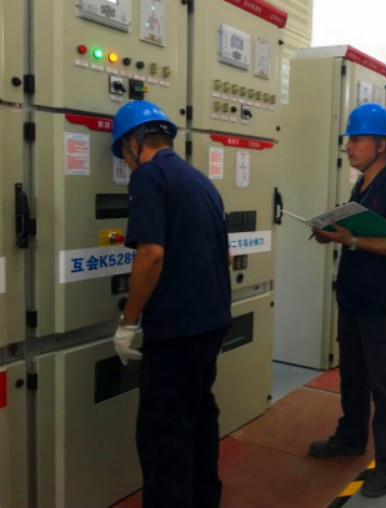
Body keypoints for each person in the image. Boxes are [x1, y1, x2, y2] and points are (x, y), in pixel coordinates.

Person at [110, 100, 232, 508]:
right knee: (199, 419)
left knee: (163, 434)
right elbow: (226, 255)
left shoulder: (148, 176)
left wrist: (129, 321)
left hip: (176, 329)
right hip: (212, 322)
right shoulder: (199, 180)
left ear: (134, 142)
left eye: (123, 152)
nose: (126, 162)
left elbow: (151, 254)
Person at [308, 103, 386, 497]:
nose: (349, 146)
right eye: (349, 139)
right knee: (353, 376)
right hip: (354, 300)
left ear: (381, 145)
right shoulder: (361, 188)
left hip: (382, 306)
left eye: (356, 139)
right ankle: (351, 437)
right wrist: (332, 233)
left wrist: (352, 239)